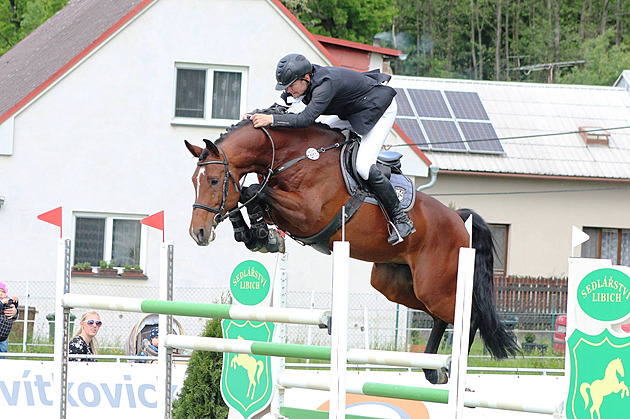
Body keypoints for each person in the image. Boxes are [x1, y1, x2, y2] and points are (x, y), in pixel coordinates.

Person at [248, 53, 415, 245]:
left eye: (291, 86)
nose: (289, 90)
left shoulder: (325, 85)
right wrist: (254, 115)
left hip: (378, 108)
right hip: (352, 110)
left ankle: (401, 219)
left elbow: (304, 120)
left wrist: (271, 120)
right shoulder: (299, 84)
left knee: (363, 166)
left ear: (306, 78)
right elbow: (277, 108)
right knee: (321, 138)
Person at [0, 282, 18, 354]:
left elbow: (14, 309)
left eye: (3, 292)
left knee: (3, 351)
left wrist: (15, 309)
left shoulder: (7, 302)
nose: (1, 294)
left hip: (4, 334)